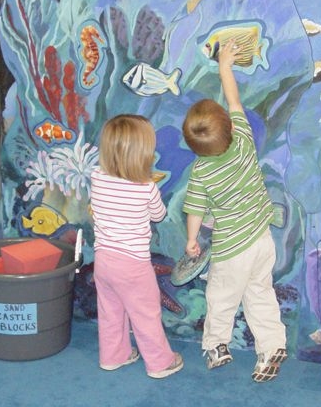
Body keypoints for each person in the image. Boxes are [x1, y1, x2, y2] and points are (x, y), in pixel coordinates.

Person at [181, 40, 287, 383]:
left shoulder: (201, 171)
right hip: (261, 237)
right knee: (260, 292)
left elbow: (195, 208)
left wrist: (192, 241)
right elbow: (235, 100)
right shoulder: (243, 139)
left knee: (221, 296)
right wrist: (225, 65)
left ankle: (216, 345)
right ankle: (271, 346)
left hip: (231, 250)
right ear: (229, 125)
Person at [91, 114, 183, 379]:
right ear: (143, 152)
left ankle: (113, 356)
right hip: (133, 265)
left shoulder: (98, 177)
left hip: (104, 260)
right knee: (146, 314)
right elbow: (159, 215)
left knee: (111, 311)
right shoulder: (146, 188)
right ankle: (160, 363)